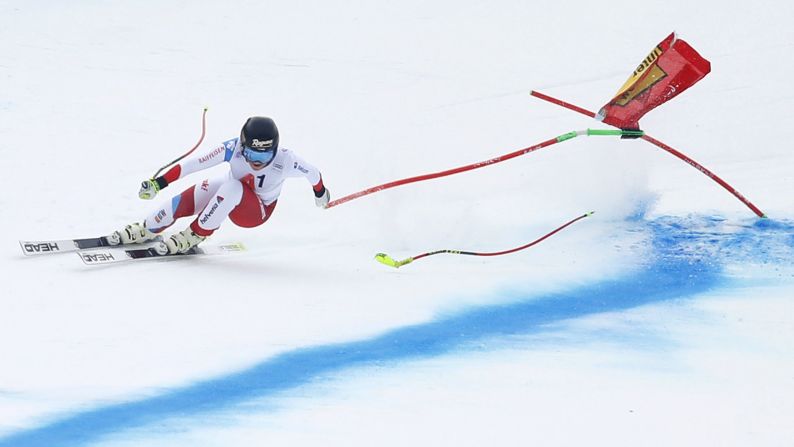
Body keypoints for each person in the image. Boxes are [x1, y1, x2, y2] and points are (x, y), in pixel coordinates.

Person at [109, 116, 330, 254]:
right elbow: (195, 164)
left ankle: (194, 235)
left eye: (264, 156)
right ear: (242, 145)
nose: (256, 162)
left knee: (232, 187)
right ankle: (148, 227)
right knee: (205, 188)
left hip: (256, 213)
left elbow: (313, 173)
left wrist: (321, 193)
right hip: (230, 193)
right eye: (251, 153)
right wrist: (159, 183)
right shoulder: (232, 148)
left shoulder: (286, 160)